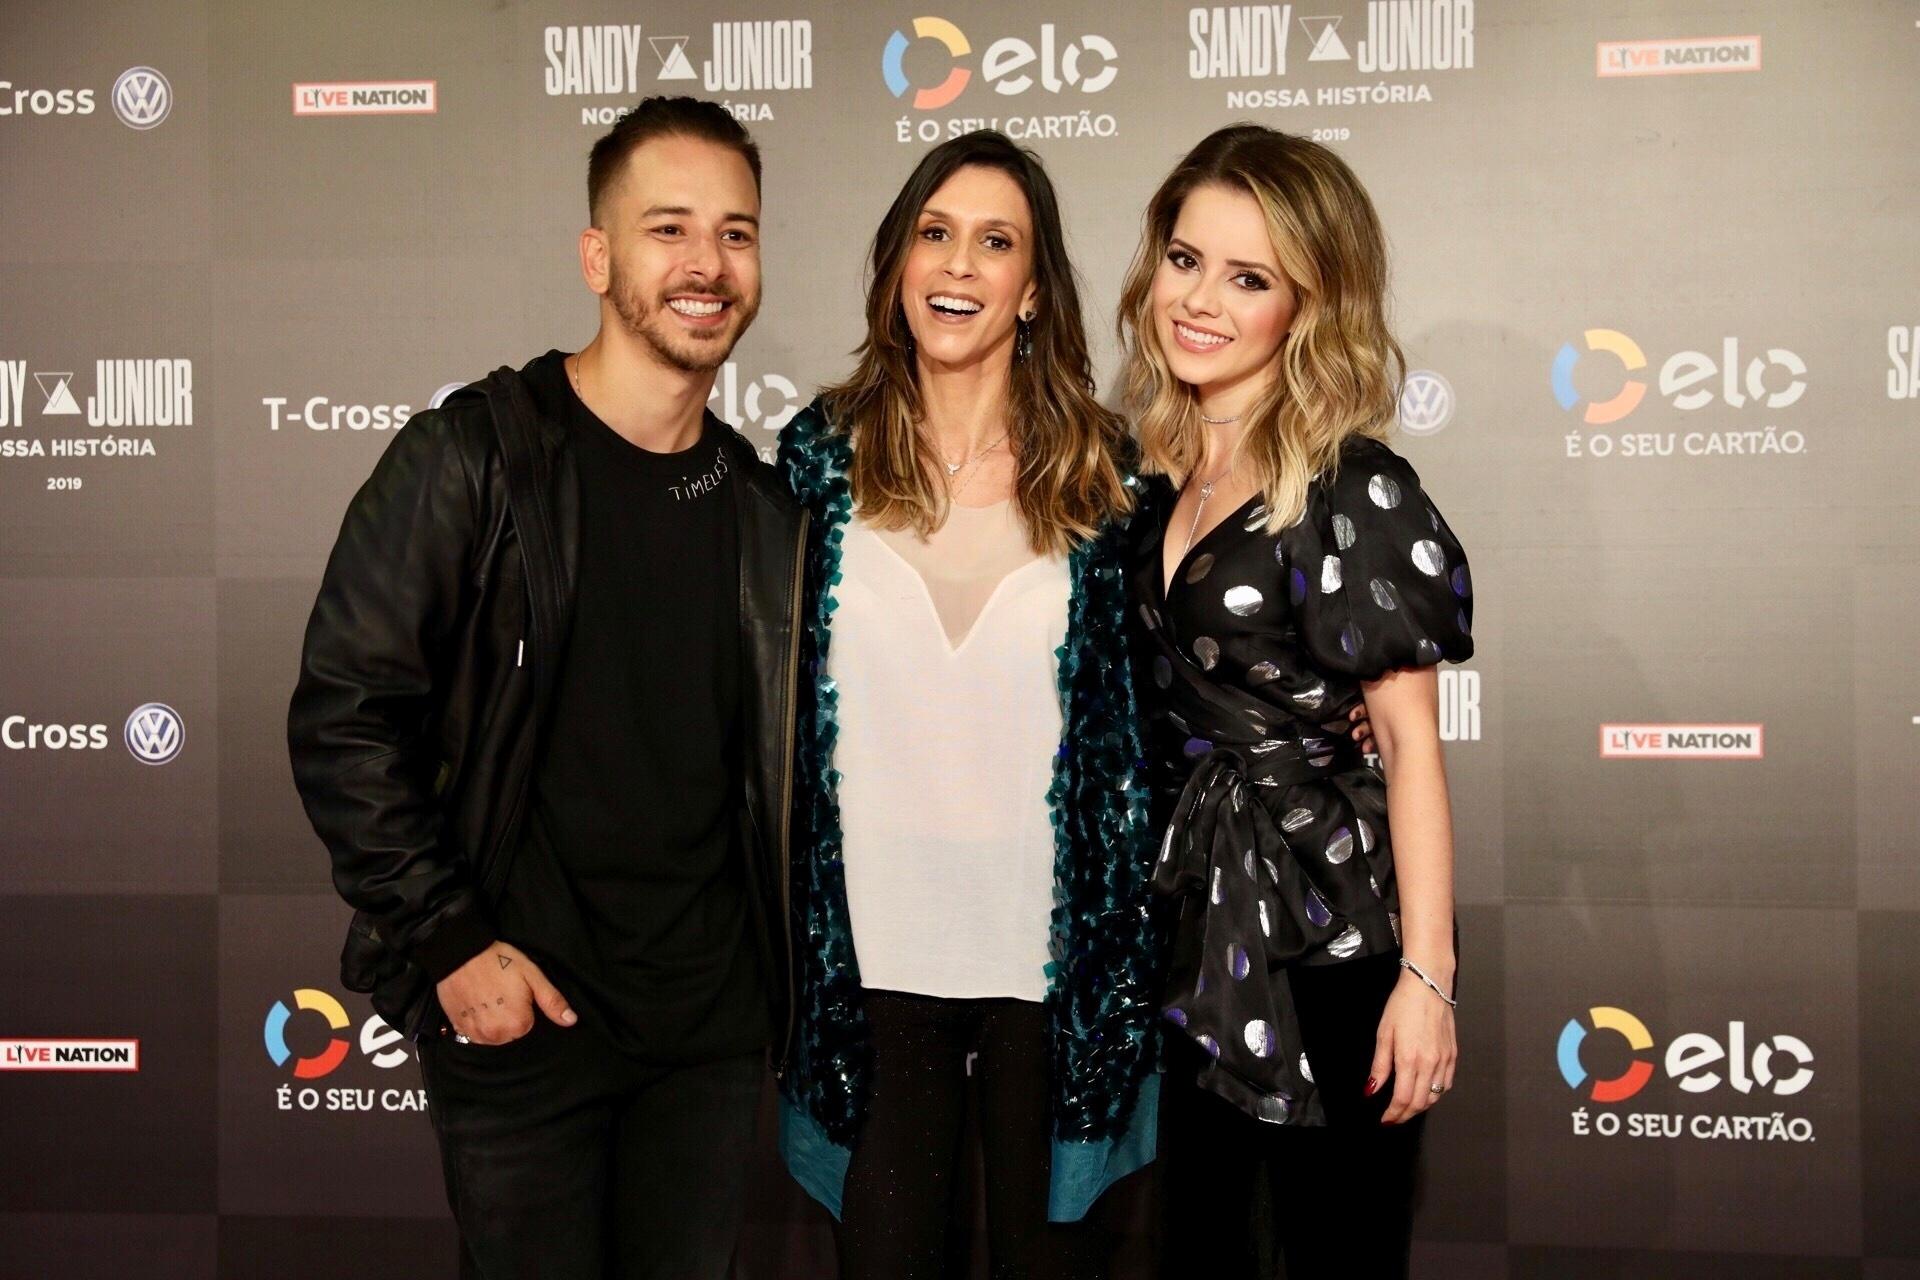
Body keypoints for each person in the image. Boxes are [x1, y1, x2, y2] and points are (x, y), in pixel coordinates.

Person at [286, 97, 805, 1279]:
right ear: (597, 256)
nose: (707, 264)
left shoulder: (764, 508)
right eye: (668, 228)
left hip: (708, 1041)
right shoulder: (473, 456)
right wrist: (451, 939)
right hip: (525, 1023)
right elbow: (345, 715)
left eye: (735, 232)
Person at [773, 131, 1160, 1278]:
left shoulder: (1106, 476)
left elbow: (1175, 686)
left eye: (996, 242)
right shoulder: (817, 461)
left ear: (1032, 289)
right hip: (874, 965)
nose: (958, 264)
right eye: (935, 233)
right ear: (899, 262)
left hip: (1052, 971)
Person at [1119, 124, 1473, 1278]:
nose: (1199, 299)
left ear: (1308, 306)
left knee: (1336, 1250)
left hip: (1336, 930)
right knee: (1204, 1247)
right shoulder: (1158, 476)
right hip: (1199, 923)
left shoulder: (1353, 489)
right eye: (1185, 260)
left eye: (1248, 277)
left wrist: (1426, 977)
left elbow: (1410, 748)